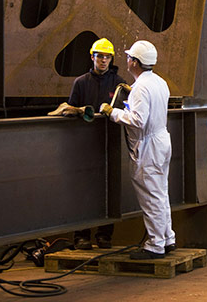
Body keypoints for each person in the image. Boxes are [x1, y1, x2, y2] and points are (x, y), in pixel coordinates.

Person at [100, 40, 175, 260]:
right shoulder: (159, 82)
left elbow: (138, 121)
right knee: (160, 193)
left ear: (135, 62)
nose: (127, 61)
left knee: (151, 196)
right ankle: (167, 238)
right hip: (161, 141)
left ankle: (155, 245)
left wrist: (112, 112)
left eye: (129, 58)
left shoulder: (141, 87)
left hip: (148, 146)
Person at [69, 37, 126, 250]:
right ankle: (81, 236)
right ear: (92, 57)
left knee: (108, 188)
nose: (103, 60)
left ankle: (104, 235)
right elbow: (71, 108)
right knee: (83, 190)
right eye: (100, 56)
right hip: (84, 145)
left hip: (109, 143)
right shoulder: (81, 83)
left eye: (107, 57)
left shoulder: (118, 83)